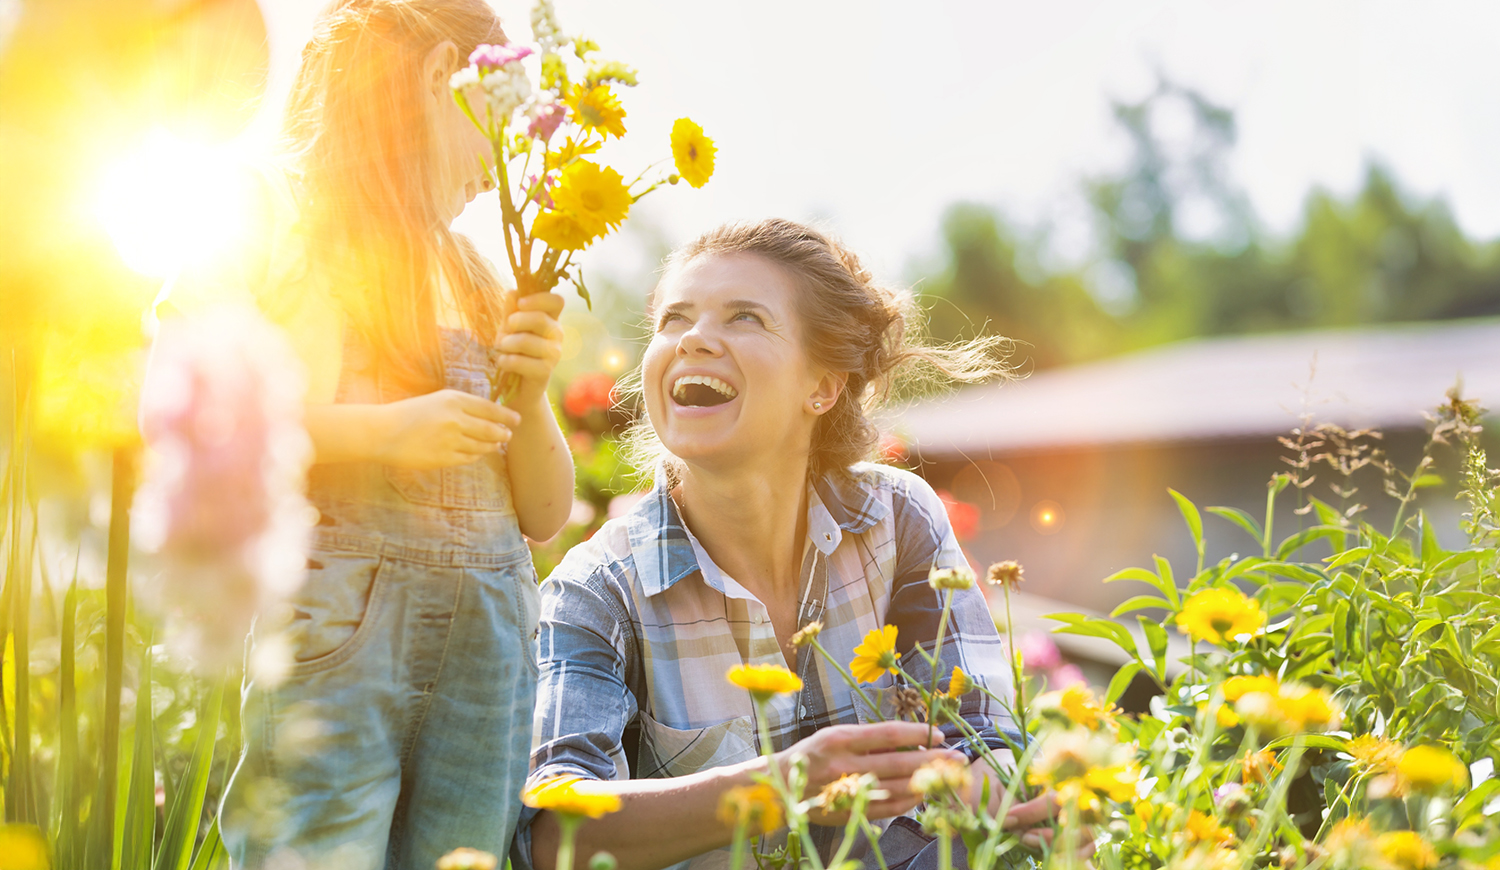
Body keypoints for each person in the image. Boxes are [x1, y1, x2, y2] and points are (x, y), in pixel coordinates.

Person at [149, 1, 573, 868]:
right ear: (436, 78)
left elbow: (546, 509)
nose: (504, 168)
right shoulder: (274, 216)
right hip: (339, 634)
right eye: (501, 114)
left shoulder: (479, 273)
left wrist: (528, 400)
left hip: (488, 650)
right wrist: (382, 434)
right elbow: (194, 414)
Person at [516, 219, 1054, 870]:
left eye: (744, 318)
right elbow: (552, 836)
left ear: (822, 386)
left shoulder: (899, 518)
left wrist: (1004, 798)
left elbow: (984, 731)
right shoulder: (597, 590)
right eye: (674, 319)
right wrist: (779, 788)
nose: (694, 339)